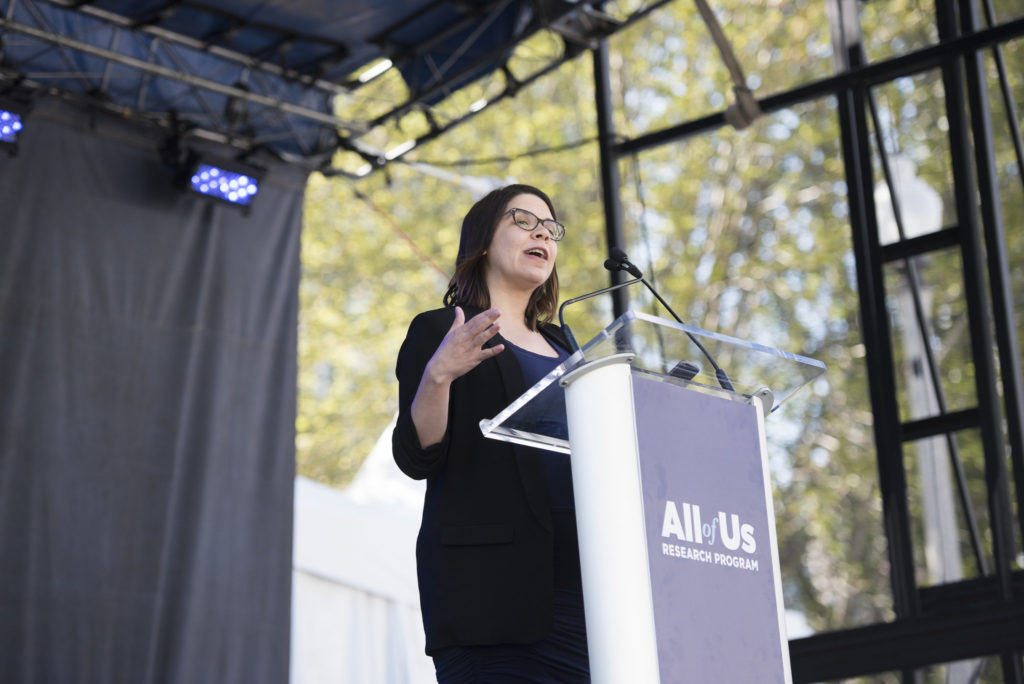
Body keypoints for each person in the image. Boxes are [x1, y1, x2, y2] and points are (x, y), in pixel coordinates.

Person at [392, 184, 589, 682]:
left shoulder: (568, 347)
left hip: (587, 590)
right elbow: (418, 458)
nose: (542, 231)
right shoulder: (442, 329)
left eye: (550, 227)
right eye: (523, 220)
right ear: (482, 240)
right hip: (493, 596)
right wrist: (439, 375)